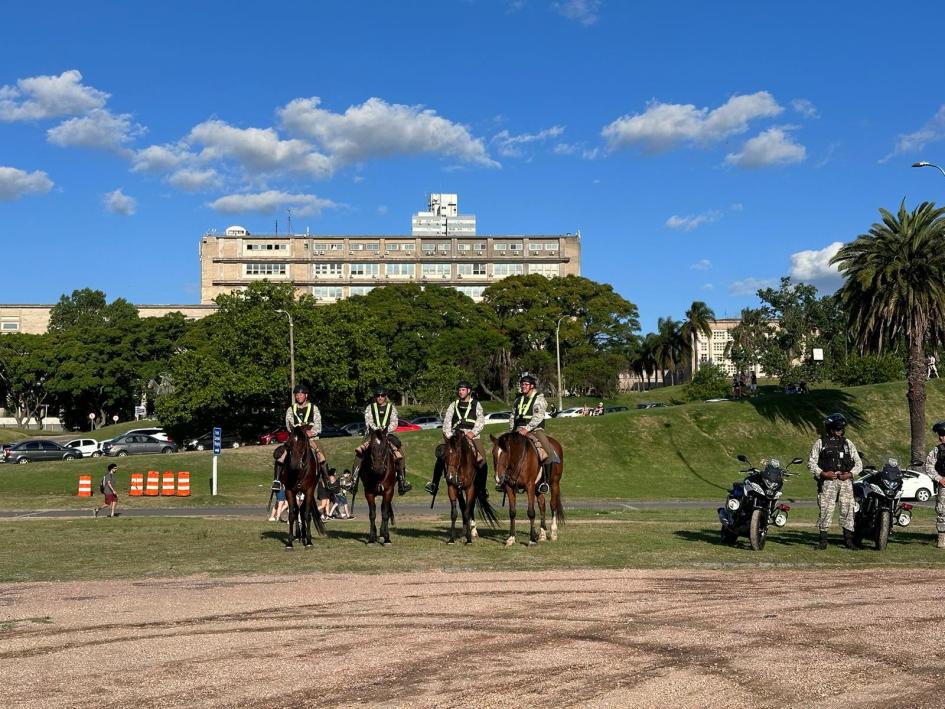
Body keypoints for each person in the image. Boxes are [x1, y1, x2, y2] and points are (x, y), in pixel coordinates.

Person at [808, 413, 863, 549]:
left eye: (841, 429)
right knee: (826, 509)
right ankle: (823, 541)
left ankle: (849, 541)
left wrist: (850, 474)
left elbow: (859, 464)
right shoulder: (820, 443)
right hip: (828, 482)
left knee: (848, 509)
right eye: (837, 429)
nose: (839, 431)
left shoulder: (848, 443)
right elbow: (811, 462)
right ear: (830, 429)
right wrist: (823, 473)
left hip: (845, 482)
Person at [425, 380, 486, 496]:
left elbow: (481, 421)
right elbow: (447, 421)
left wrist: (473, 433)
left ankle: (482, 488)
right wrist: (449, 436)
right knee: (441, 456)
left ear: (468, 391)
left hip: (472, 436)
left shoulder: (476, 404)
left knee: (483, 460)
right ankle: (434, 484)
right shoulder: (453, 405)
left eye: (463, 390)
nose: (460, 392)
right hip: (455, 436)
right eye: (459, 390)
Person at [353, 386, 411, 495]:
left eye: (382, 395)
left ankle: (402, 481)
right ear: (375, 397)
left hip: (387, 434)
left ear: (385, 396)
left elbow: (394, 422)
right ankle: (353, 480)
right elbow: (368, 421)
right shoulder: (370, 408)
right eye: (378, 396)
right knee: (359, 453)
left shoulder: (391, 408)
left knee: (400, 453)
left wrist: (386, 430)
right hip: (372, 434)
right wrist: (376, 429)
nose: (380, 398)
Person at [509, 373, 557, 494]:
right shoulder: (518, 400)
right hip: (517, 430)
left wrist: (527, 428)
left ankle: (545, 482)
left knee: (548, 453)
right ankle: (504, 480)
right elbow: (512, 416)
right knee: (502, 450)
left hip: (535, 430)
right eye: (522, 384)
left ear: (532, 386)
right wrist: (512, 430)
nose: (522, 386)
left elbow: (538, 416)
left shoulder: (539, 399)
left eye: (525, 384)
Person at [277, 384, 326, 467]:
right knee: (281, 455)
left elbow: (318, 424)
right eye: (296, 395)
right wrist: (301, 433)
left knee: (321, 455)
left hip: (311, 438)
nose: (298, 396)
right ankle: (277, 478)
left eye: (301, 394)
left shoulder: (314, 408)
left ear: (306, 395)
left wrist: (312, 432)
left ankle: (326, 477)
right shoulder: (290, 409)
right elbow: (289, 426)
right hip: (296, 438)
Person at [924, 420, 945, 548]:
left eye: (943, 435)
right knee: (943, 512)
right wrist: (939, 478)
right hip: (944, 486)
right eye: (940, 435)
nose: (940, 438)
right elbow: (929, 465)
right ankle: (942, 539)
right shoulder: (937, 451)